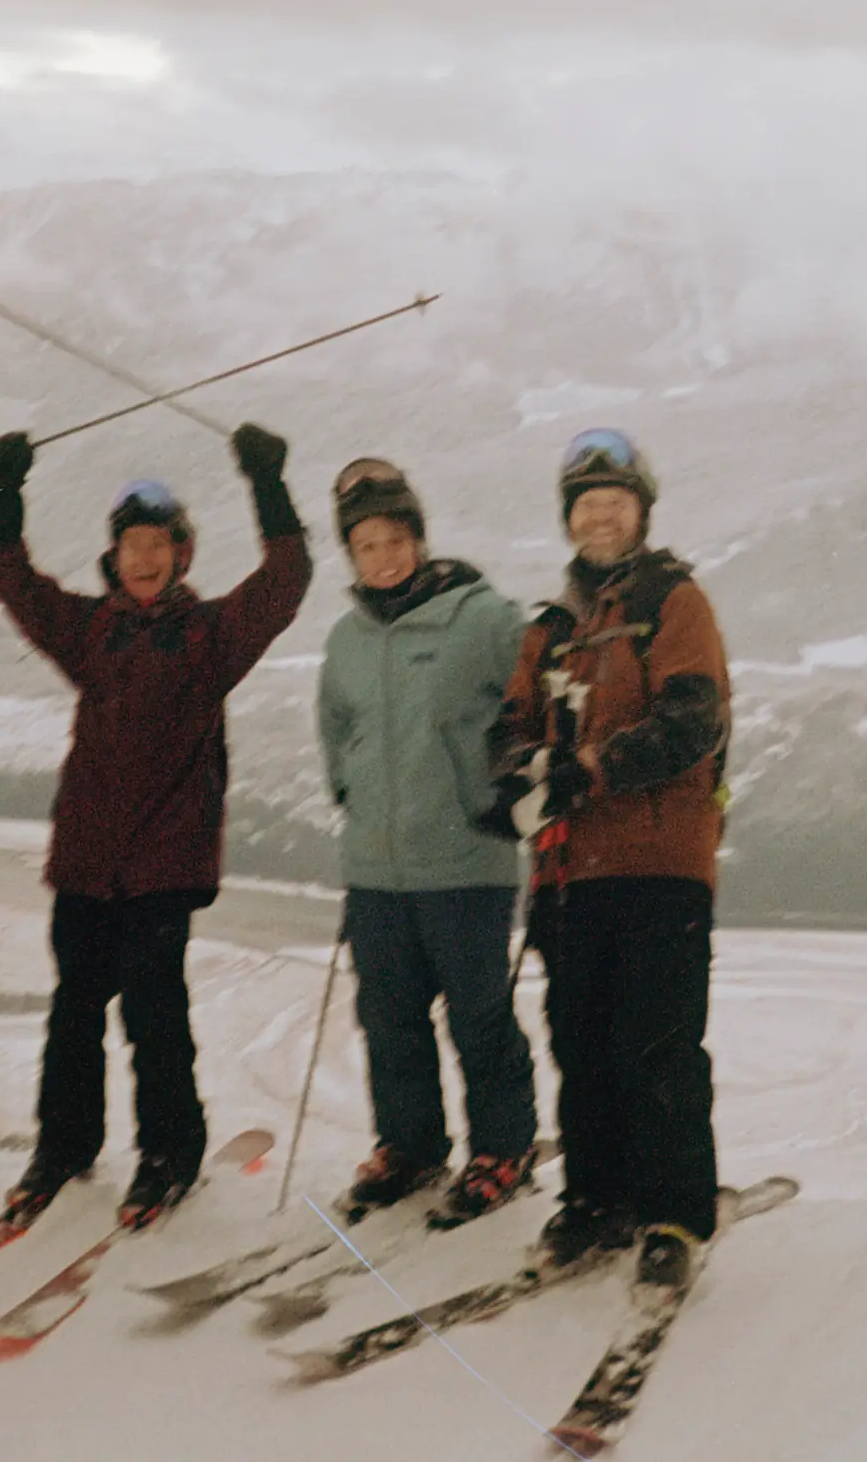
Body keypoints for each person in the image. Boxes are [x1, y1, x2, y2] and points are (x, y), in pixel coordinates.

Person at [0, 421, 313, 1226]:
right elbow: (9, 575)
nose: (144, 557)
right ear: (114, 554)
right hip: (86, 863)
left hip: (163, 866)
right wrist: (4, 491)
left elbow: (287, 578)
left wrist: (266, 481)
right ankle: (63, 1147)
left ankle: (168, 1153)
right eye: (131, 544)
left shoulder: (209, 638)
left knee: (155, 1018)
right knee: (73, 1014)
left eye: (159, 544)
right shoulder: (93, 633)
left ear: (182, 555)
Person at [492, 429, 732, 1298]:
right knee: (580, 1040)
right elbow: (509, 729)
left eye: (614, 502)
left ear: (640, 513)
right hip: (570, 873)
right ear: (569, 521)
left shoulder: (676, 603)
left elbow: (690, 719)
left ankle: (673, 1214)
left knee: (658, 1043)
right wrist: (518, 773)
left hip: (662, 862)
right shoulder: (551, 629)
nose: (600, 517)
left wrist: (588, 767)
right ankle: (596, 1198)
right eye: (586, 505)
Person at [314, 457, 538, 1226]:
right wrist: (355, 796)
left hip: (464, 859)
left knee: (478, 1015)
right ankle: (409, 1147)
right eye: (366, 545)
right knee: (388, 1017)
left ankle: (502, 1149)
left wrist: (503, 790)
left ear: (419, 537)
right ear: (351, 555)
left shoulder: (480, 617)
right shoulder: (346, 639)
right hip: (376, 868)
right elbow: (336, 731)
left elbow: (530, 695)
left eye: (395, 539)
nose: (384, 557)